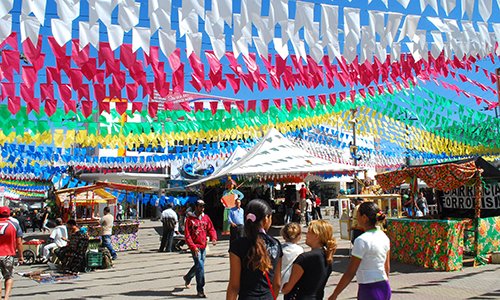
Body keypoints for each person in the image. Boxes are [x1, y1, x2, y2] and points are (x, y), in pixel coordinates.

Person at [328, 202, 391, 300]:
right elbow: (386, 267)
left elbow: (351, 271)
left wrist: (335, 294)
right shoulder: (384, 236)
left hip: (369, 288)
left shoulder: (361, 240)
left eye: (357, 215)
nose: (356, 218)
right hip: (384, 286)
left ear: (364, 217)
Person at [227, 199, 283, 300]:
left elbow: (234, 286)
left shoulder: (238, 245)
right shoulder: (275, 244)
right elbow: (277, 284)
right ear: (266, 219)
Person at [282, 220, 337, 300]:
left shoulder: (304, 258)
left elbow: (288, 288)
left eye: (308, 232)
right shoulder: (328, 256)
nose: (306, 235)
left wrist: (283, 287)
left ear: (316, 235)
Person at [183, 200, 217, 298]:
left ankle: (188, 277)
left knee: (199, 266)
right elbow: (187, 235)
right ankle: (200, 290)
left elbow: (211, 229)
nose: (202, 208)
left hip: (203, 246)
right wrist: (193, 247)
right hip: (195, 247)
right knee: (200, 266)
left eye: (203, 206)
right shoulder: (190, 219)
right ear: (196, 207)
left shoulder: (206, 218)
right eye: (200, 206)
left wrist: (214, 238)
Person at [0, 207, 23, 300]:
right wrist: (21, 256)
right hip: (8, 255)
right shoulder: (14, 225)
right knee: (8, 276)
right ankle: (6, 297)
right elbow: (19, 242)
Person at [280, 223, 303, 289]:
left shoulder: (279, 249)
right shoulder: (300, 250)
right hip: (292, 281)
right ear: (299, 236)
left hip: (278, 279)